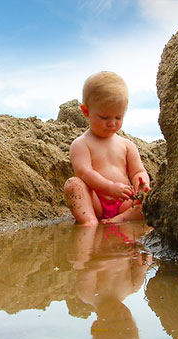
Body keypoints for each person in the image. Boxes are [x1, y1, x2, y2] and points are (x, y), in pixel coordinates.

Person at [64, 71, 150, 225]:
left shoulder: (127, 145)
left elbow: (138, 171)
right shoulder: (81, 144)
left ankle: (122, 218)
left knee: (150, 203)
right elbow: (84, 172)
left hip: (124, 203)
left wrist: (141, 185)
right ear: (86, 111)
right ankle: (89, 221)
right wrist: (110, 188)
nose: (112, 123)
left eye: (118, 117)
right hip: (95, 201)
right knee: (73, 184)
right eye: (104, 117)